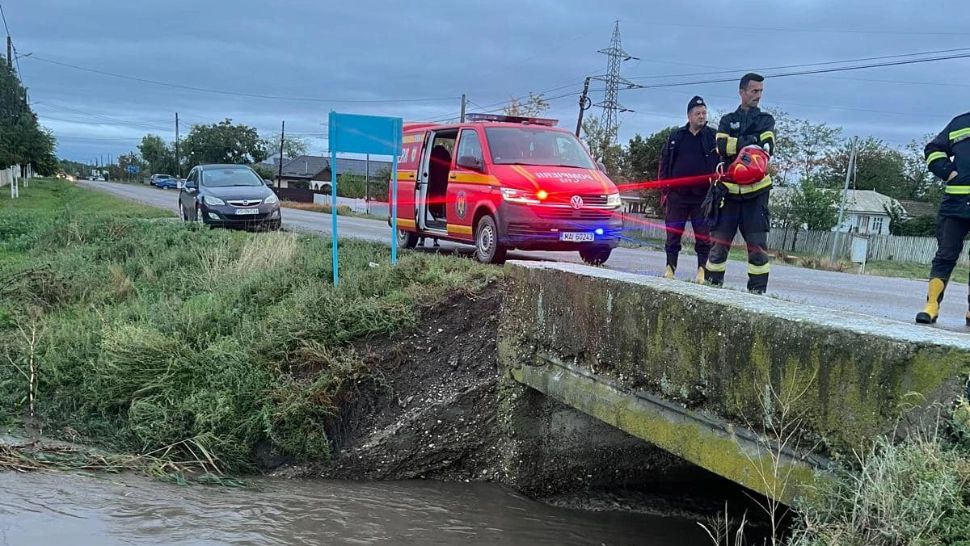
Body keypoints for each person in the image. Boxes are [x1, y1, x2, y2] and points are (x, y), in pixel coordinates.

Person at [704, 73, 776, 294]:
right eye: (754, 91)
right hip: (728, 194)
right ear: (742, 92)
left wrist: (740, 145)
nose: (758, 95)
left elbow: (767, 148)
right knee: (718, 248)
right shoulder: (727, 120)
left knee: (757, 249)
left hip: (756, 195)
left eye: (761, 91)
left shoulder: (766, 120)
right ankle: (711, 292)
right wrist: (750, 143)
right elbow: (722, 147)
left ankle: (757, 295)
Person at [916, 112, 970, 325]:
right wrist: (946, 171)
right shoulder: (960, 123)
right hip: (955, 204)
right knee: (945, 256)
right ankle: (931, 307)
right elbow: (933, 149)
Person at [658, 95, 718, 282]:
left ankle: (701, 270)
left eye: (704, 113)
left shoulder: (712, 137)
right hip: (678, 195)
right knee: (673, 235)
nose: (702, 116)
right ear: (689, 116)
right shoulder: (677, 136)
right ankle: (670, 268)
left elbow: (720, 164)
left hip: (702, 197)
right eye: (698, 113)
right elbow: (665, 162)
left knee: (703, 236)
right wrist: (664, 187)